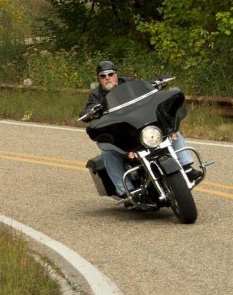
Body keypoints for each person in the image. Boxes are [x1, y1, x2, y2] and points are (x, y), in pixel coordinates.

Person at [80, 60, 199, 198]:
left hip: (141, 125)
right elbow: (87, 110)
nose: (107, 78)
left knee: (171, 131)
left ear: (116, 74)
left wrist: (159, 82)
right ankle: (126, 191)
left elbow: (146, 86)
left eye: (110, 74)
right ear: (99, 79)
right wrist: (88, 113)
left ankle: (186, 166)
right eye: (103, 76)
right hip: (123, 133)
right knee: (108, 153)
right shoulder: (96, 95)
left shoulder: (129, 83)